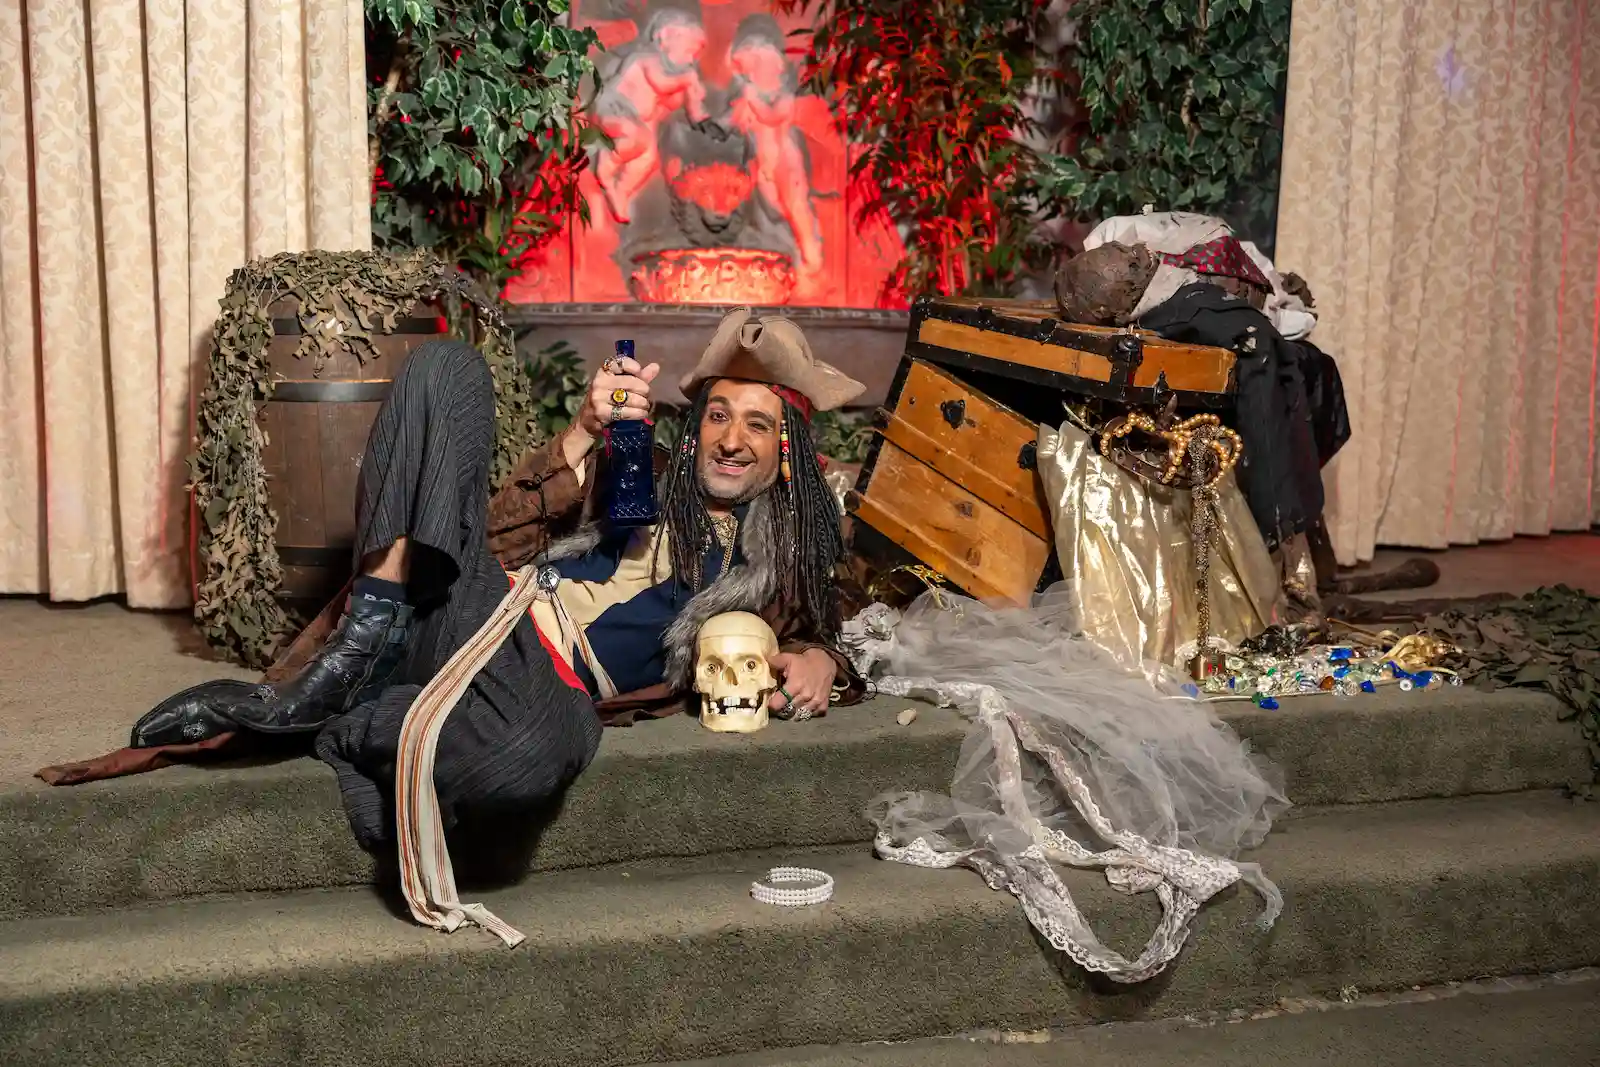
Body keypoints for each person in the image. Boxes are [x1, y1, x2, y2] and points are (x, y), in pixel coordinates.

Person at [128, 307, 868, 851]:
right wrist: (583, 431)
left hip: (551, 685)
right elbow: (491, 530)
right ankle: (366, 641)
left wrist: (823, 658)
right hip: (483, 606)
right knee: (448, 368)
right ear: (695, 423)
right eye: (717, 416)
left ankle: (347, 719)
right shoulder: (640, 468)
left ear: (787, 451)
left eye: (757, 425)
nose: (731, 440)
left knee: (536, 755)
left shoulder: (790, 556)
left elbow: (849, 610)